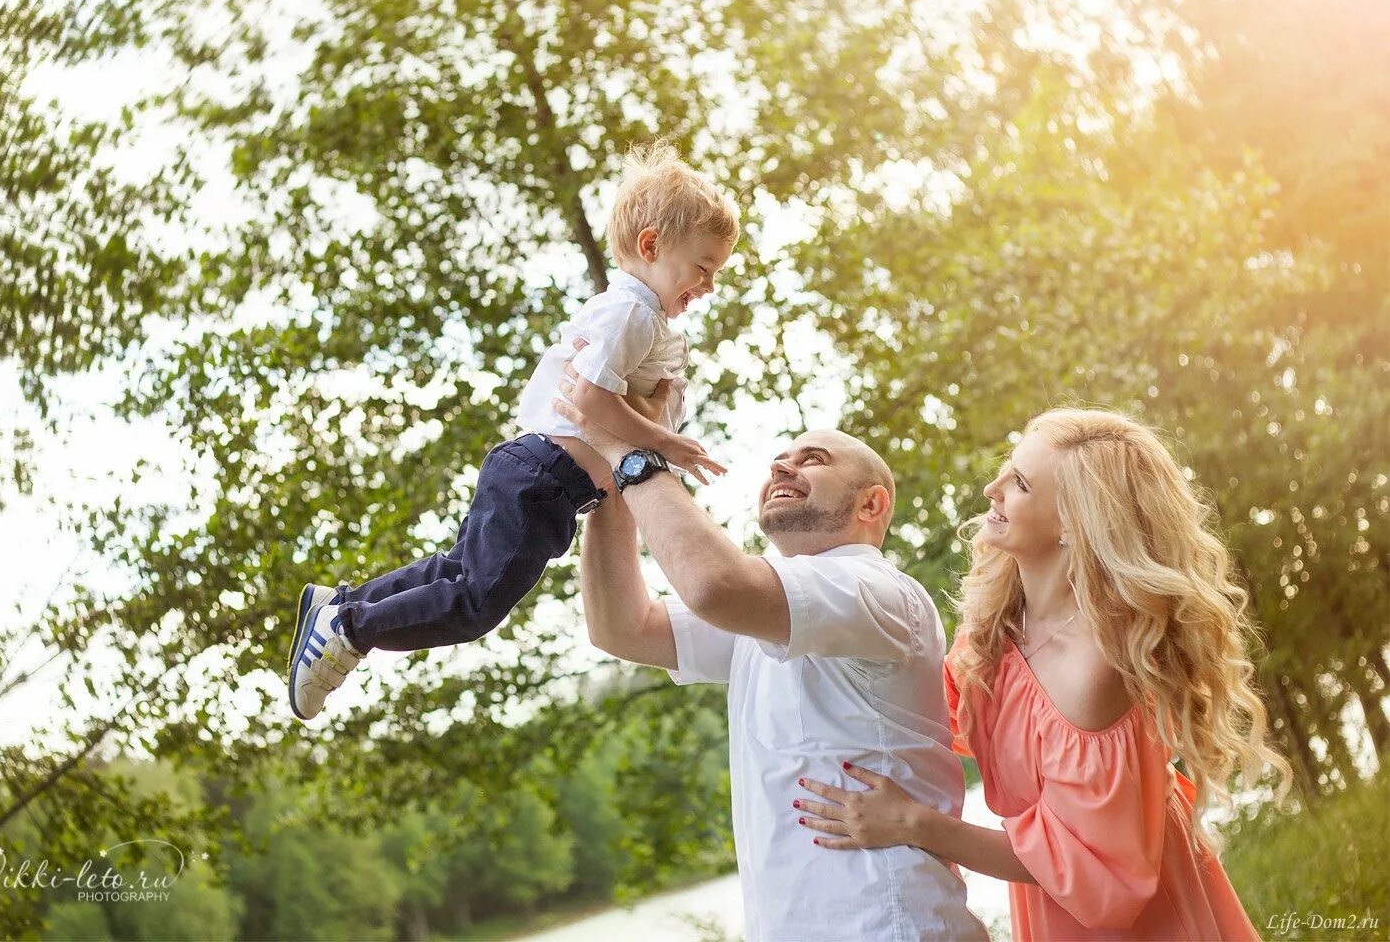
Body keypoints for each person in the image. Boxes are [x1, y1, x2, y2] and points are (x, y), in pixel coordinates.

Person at [791, 409, 1288, 940]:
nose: (991, 489)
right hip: (1051, 899)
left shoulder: (1094, 668)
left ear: (1074, 522)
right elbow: (923, 714)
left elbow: (1088, 867)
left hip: (1133, 916)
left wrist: (912, 823)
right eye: (1006, 470)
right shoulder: (998, 619)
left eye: (1020, 484)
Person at [285, 142, 738, 720]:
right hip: (543, 475)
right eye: (703, 267)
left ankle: (344, 605)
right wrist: (663, 442)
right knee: (476, 601)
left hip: (545, 478)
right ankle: (350, 629)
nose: (709, 284)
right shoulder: (633, 311)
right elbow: (589, 396)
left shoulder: (644, 318)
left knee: (457, 571)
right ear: (651, 245)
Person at [553, 364, 989, 941]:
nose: (782, 465)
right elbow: (621, 627)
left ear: (871, 505)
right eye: (780, 459)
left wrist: (633, 450)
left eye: (813, 459)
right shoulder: (774, 609)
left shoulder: (874, 588)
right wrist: (607, 481)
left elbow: (715, 586)